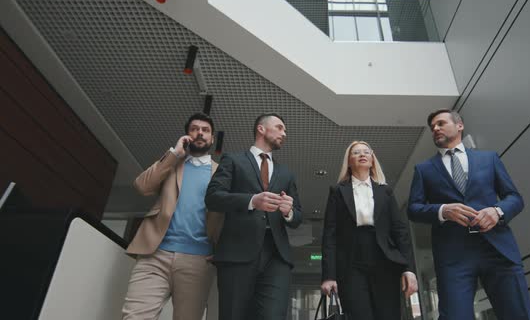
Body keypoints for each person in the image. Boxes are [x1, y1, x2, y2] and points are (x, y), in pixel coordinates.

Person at [408, 109, 530, 320]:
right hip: (453, 256)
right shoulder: (424, 169)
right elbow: (413, 208)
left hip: (498, 249)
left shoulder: (489, 158)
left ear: (459, 125)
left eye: (440, 123)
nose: (435, 129)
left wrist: (497, 211)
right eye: (432, 128)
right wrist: (442, 211)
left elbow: (514, 197)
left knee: (516, 314)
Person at [122, 112, 222, 320]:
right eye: (194, 129)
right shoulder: (173, 163)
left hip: (198, 260)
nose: (200, 134)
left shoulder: (221, 174)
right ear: (186, 135)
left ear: (212, 139)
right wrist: (174, 154)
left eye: (205, 130)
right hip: (155, 255)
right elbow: (142, 186)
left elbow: (228, 217)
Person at [205, 113, 303, 320]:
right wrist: (252, 200)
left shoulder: (286, 174)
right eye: (279, 127)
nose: (284, 133)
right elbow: (213, 197)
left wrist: (289, 211)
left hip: (277, 255)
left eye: (284, 130)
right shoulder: (233, 160)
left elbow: (298, 218)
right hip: (237, 251)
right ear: (261, 129)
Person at [320, 141, 418, 320]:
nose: (362, 155)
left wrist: (409, 269)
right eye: (356, 152)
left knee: (389, 314)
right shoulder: (337, 191)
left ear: (372, 159)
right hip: (350, 262)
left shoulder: (385, 191)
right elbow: (330, 235)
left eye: (366, 152)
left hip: (385, 259)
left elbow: (400, 232)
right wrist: (329, 276)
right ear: (349, 161)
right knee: (359, 314)